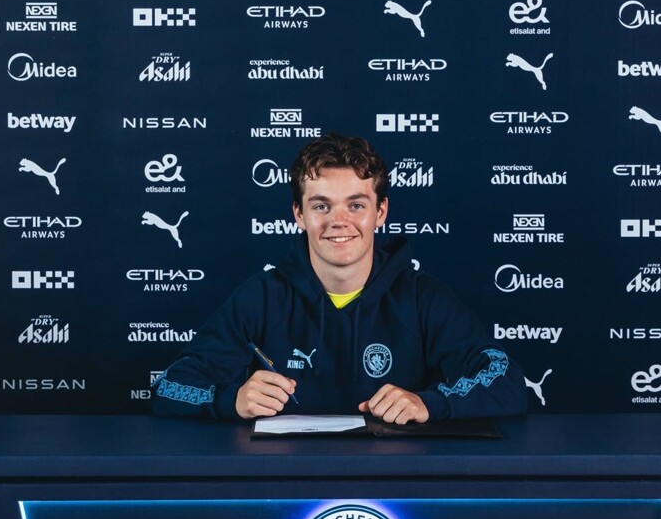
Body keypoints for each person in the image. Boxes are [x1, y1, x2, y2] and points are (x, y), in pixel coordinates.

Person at [151, 133, 527, 423]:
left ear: (381, 212)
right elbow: (169, 386)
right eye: (321, 206)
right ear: (299, 214)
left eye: (356, 205)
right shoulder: (263, 297)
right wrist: (230, 399)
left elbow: (507, 381)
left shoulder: (420, 296)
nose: (339, 221)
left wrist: (430, 403)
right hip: (286, 484)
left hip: (396, 482)